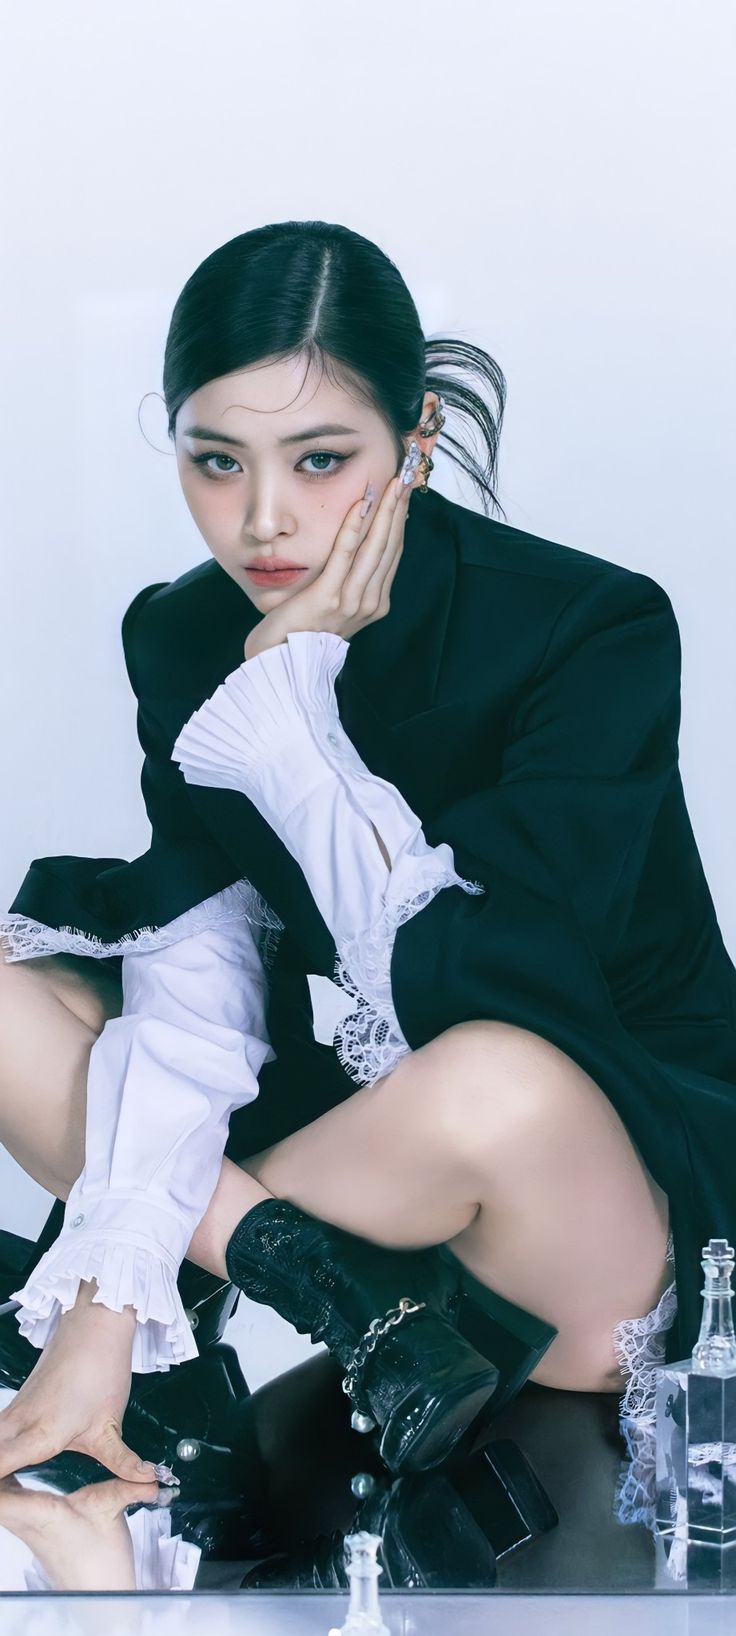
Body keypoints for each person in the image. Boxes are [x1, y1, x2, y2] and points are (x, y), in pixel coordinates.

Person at [1, 220, 734, 1488]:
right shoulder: (179, 635)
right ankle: (355, 1309)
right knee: (13, 1000)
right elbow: (203, 965)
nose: (264, 519)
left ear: (420, 441)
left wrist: (289, 702)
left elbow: (485, 985)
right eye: (215, 460)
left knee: (486, 1075)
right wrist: (107, 1299)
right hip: (370, 1175)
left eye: (323, 457)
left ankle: (207, 1295)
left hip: (589, 1182)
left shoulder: (591, 625)